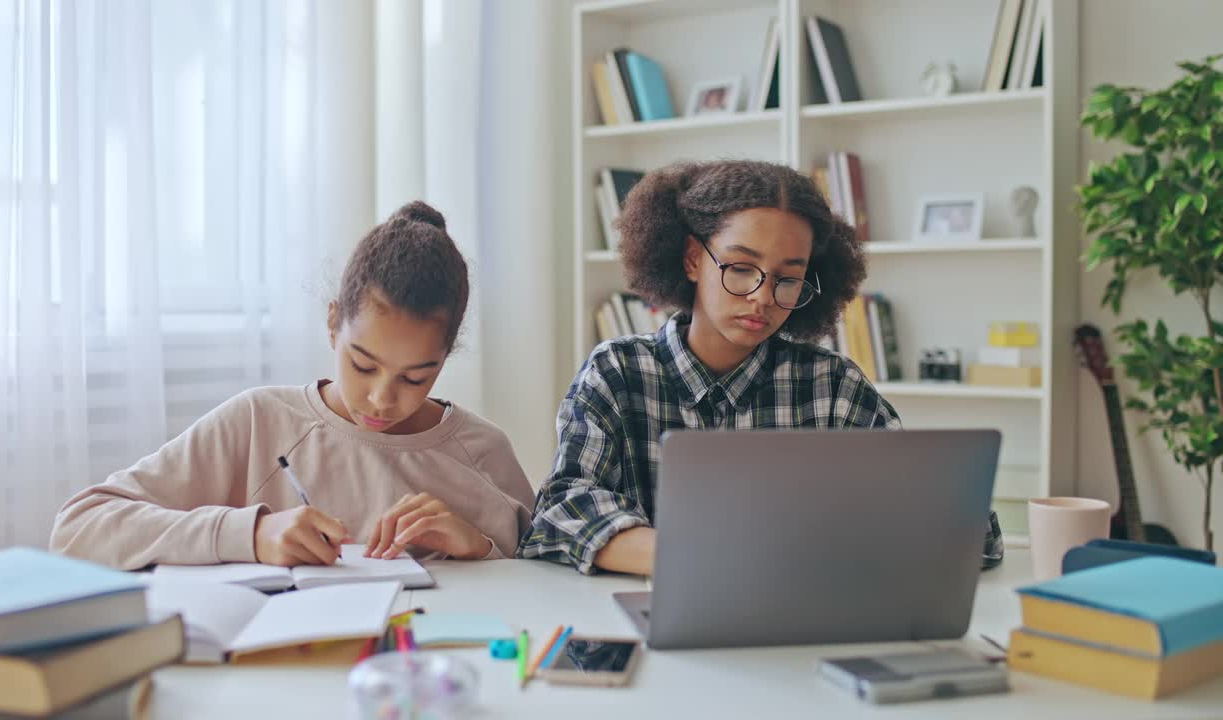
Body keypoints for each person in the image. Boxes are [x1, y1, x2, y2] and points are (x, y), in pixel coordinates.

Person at [51, 201, 533, 570]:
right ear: (332, 325)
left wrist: (479, 548)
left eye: (415, 377)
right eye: (363, 365)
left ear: (445, 358)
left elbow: (550, 579)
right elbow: (78, 529)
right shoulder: (259, 422)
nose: (382, 399)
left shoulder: (483, 452)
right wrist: (251, 534)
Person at [518, 159, 900, 576]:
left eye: (787, 279)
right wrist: (708, 558)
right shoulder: (618, 373)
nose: (763, 298)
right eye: (740, 269)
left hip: (794, 625)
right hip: (640, 628)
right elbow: (563, 506)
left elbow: (931, 514)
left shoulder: (834, 389)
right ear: (692, 259)